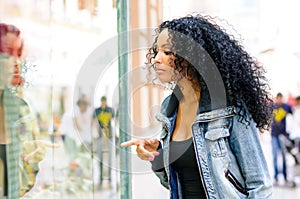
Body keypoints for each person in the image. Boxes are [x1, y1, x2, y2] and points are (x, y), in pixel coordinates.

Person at [121, 14, 273, 198]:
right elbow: (174, 183)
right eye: (156, 51)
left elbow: (260, 186)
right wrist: (157, 157)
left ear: (192, 56)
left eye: (167, 52)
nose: (156, 59)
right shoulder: (169, 108)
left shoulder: (228, 108)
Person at [0, 23, 58, 198]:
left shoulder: (19, 108)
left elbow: (27, 176)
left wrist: (32, 158)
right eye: (9, 52)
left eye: (18, 53)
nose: (16, 61)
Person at [271, 92, 293, 185]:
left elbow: (294, 113)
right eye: (278, 98)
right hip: (274, 135)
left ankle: (285, 176)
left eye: (281, 98)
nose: (279, 100)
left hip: (283, 135)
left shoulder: (286, 107)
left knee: (284, 157)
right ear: (276, 98)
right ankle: (275, 177)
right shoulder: (272, 107)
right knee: (275, 156)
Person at [94, 96, 115, 185]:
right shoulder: (97, 110)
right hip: (100, 136)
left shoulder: (110, 110)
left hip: (109, 136)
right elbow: (94, 121)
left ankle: (109, 177)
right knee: (100, 157)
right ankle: (100, 177)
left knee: (109, 157)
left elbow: (115, 120)